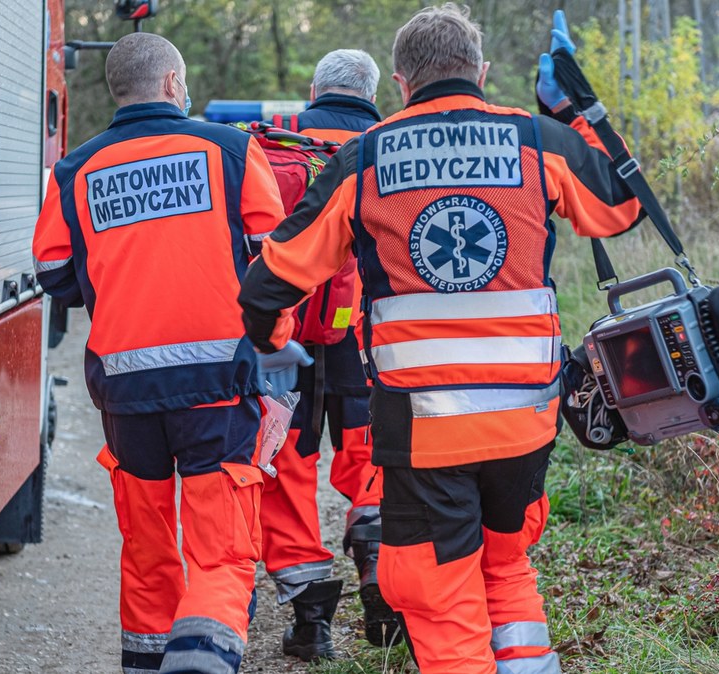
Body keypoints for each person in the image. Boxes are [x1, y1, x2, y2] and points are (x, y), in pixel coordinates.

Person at [238, 6, 643, 673]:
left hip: (426, 429)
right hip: (525, 423)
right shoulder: (537, 140)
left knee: (437, 590)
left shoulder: (365, 157)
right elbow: (621, 208)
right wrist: (575, 109)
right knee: (505, 564)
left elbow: (273, 280)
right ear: (480, 72)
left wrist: (269, 339)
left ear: (399, 83)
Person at [32, 32, 289, 674]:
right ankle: (201, 655)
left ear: (118, 90)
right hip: (220, 385)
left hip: (125, 387)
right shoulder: (231, 149)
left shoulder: (76, 170)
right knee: (222, 551)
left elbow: (54, 271)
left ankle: (148, 663)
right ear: (174, 84)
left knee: (147, 549)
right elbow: (277, 267)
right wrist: (278, 369)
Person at [254, 49, 397, 661]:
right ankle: (378, 567)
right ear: (374, 94)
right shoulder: (394, 153)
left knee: (288, 471)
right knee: (373, 459)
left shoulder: (267, 152)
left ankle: (311, 623)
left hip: (287, 342)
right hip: (366, 341)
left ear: (312, 91)